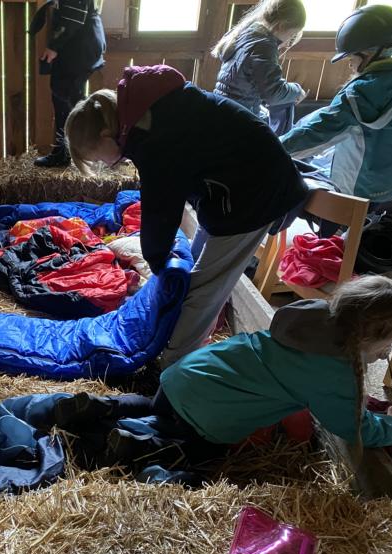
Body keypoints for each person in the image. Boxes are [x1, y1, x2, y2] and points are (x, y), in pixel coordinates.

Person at [64, 64, 308, 367]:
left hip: (256, 192)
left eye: (98, 158)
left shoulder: (152, 134)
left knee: (205, 287)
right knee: (195, 273)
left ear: (105, 135)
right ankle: (185, 340)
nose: (103, 164)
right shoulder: (144, 113)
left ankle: (175, 366)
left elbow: (161, 205)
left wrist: (157, 262)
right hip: (232, 186)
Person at [156, 275, 392, 461]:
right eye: (388, 343)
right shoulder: (336, 373)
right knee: (196, 459)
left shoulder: (312, 316)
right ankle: (145, 441)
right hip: (201, 418)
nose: (388, 350)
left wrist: (368, 353)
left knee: (158, 418)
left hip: (177, 379)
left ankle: (134, 412)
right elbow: (355, 428)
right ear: (369, 339)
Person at [280, 4, 392, 204]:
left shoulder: (356, 95)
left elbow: (315, 133)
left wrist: (272, 147)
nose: (350, 63)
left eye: (352, 56)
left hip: (352, 191)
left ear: (368, 53)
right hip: (391, 187)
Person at [29, 0, 106, 168]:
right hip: (81, 40)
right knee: (68, 98)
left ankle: (70, 153)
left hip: (79, 42)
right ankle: (70, 152)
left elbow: (74, 14)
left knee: (66, 98)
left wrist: (54, 46)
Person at [213, 0, 308, 135]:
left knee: (266, 114)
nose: (289, 41)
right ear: (281, 25)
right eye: (292, 35)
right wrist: (297, 91)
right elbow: (273, 94)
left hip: (222, 107)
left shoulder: (249, 32)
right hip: (237, 118)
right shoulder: (264, 46)